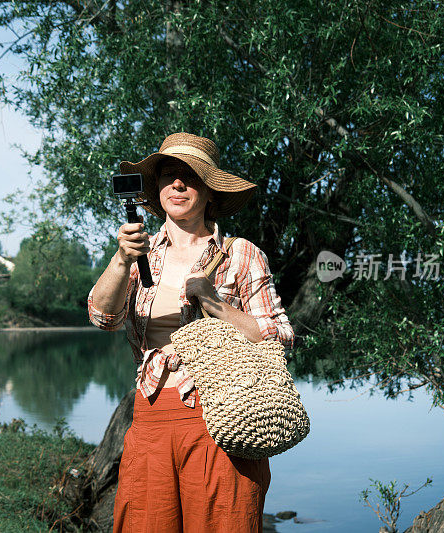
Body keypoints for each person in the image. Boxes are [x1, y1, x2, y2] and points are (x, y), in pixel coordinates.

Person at [88, 132, 295, 533]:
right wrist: (119, 259)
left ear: (210, 190)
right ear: (156, 189)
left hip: (224, 421)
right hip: (149, 421)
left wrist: (216, 303)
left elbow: (281, 336)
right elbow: (103, 318)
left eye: (191, 176)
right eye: (169, 175)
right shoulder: (139, 255)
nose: (178, 184)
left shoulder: (241, 253)